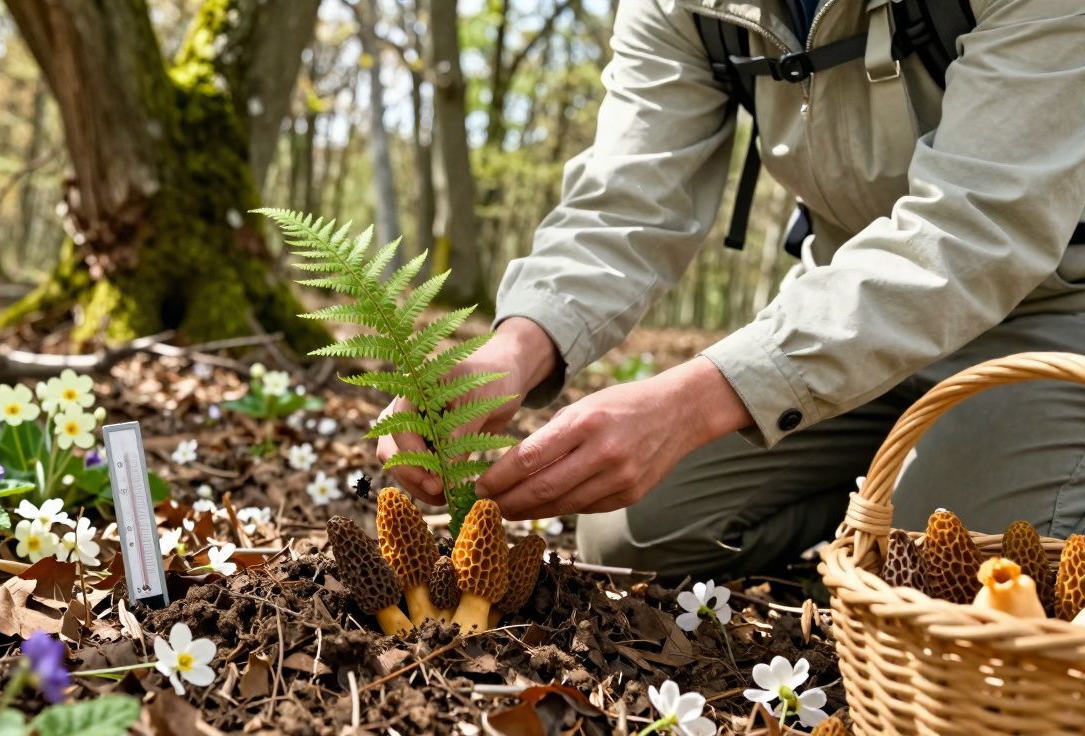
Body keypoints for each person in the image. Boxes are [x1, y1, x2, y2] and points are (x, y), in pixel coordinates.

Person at [377, 0, 1085, 579]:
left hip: (1050, 314)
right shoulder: (677, 8)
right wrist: (515, 349)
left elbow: (979, 226)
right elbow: (626, 204)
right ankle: (888, 486)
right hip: (840, 305)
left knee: (956, 578)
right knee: (634, 537)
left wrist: (695, 402)